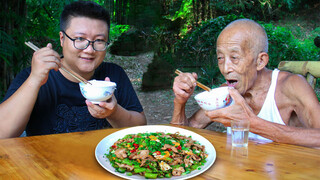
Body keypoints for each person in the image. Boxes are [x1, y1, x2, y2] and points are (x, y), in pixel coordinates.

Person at [0, 1, 146, 138]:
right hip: (46, 162)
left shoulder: (114, 74)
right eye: (80, 39)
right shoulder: (34, 75)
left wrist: (114, 112)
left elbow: (140, 128)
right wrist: (34, 79)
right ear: (62, 39)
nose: (89, 50)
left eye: (99, 41)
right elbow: (3, 133)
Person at [171, 19, 320, 147]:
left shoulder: (291, 86)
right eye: (220, 58)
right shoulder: (225, 94)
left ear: (260, 61)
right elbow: (182, 134)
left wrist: (253, 124)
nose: (225, 68)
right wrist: (180, 100)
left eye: (234, 57)